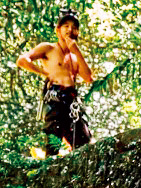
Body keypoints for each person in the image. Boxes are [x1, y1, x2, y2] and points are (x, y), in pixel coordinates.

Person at [16, 10, 94, 157]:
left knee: (85, 143)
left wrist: (76, 50)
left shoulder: (75, 57)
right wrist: (45, 73)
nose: (70, 30)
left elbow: (88, 77)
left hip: (72, 102)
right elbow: (22, 60)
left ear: (78, 32)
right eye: (66, 26)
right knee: (53, 143)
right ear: (58, 30)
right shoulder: (49, 48)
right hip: (55, 99)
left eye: (74, 27)